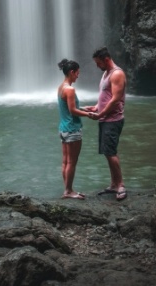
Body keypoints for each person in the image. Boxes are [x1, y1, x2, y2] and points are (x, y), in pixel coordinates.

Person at [85, 47, 127, 201]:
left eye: (98, 63)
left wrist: (101, 113)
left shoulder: (117, 74)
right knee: (107, 153)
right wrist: (97, 106)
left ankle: (121, 185)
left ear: (106, 59)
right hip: (105, 119)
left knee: (111, 152)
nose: (97, 66)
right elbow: (105, 95)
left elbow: (115, 99)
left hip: (113, 119)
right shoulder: (106, 73)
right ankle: (114, 184)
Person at [57, 58, 94, 200]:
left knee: (65, 161)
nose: (78, 76)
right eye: (78, 73)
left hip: (63, 129)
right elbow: (73, 111)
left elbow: (69, 107)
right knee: (72, 162)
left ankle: (67, 189)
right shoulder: (70, 89)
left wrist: (85, 108)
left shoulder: (61, 87)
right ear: (72, 72)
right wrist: (89, 115)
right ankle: (69, 191)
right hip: (72, 129)